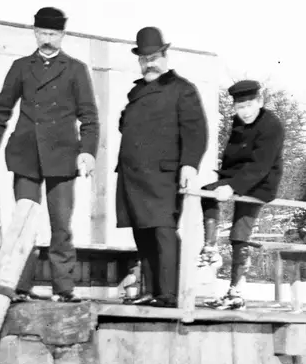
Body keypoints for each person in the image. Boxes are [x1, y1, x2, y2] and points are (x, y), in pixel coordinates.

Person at [0, 6, 100, 302]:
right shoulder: (21, 67)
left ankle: (64, 288)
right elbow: (1, 110)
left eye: (52, 34)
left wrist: (87, 152)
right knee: (24, 222)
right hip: (26, 156)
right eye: (42, 33)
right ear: (34, 33)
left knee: (61, 224)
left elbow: (89, 116)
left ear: (62, 35)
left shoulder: (75, 69)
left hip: (62, 156)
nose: (46, 39)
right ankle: (21, 286)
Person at [114, 27, 209, 308]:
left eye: (154, 57)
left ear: (165, 56)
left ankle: (169, 294)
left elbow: (196, 131)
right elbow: (127, 124)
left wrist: (190, 165)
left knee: (163, 231)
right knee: (142, 234)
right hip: (133, 176)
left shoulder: (182, 90)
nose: (149, 63)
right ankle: (153, 290)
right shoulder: (137, 91)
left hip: (164, 176)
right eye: (144, 58)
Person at [199, 79, 285, 310]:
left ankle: (235, 292)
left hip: (260, 183)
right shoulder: (238, 124)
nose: (245, 112)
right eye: (239, 107)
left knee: (239, 235)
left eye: (249, 106)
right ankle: (210, 248)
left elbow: (260, 166)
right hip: (237, 178)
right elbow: (233, 157)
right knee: (206, 192)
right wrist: (224, 182)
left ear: (260, 101)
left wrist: (232, 187)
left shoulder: (271, 125)